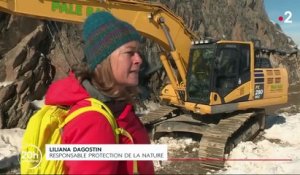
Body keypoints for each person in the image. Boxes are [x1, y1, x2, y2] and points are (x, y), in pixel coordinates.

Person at [44, 11, 154, 174]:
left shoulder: (118, 108)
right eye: (130, 52)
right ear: (105, 59)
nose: (138, 59)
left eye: (138, 52)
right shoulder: (93, 122)